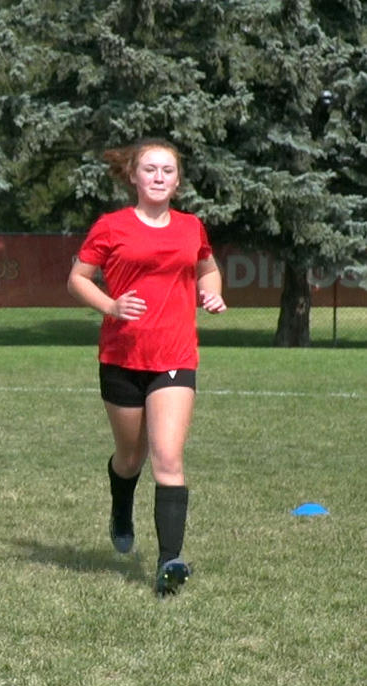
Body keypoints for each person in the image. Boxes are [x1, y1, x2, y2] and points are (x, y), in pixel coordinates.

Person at [66, 137, 226, 598]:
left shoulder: (191, 227)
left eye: (168, 171)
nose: (159, 177)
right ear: (134, 176)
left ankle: (168, 564)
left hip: (175, 357)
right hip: (122, 357)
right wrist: (112, 306)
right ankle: (121, 507)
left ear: (177, 181)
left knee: (169, 459)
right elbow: (77, 279)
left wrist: (211, 291)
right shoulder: (110, 227)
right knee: (130, 458)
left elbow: (207, 268)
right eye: (150, 169)